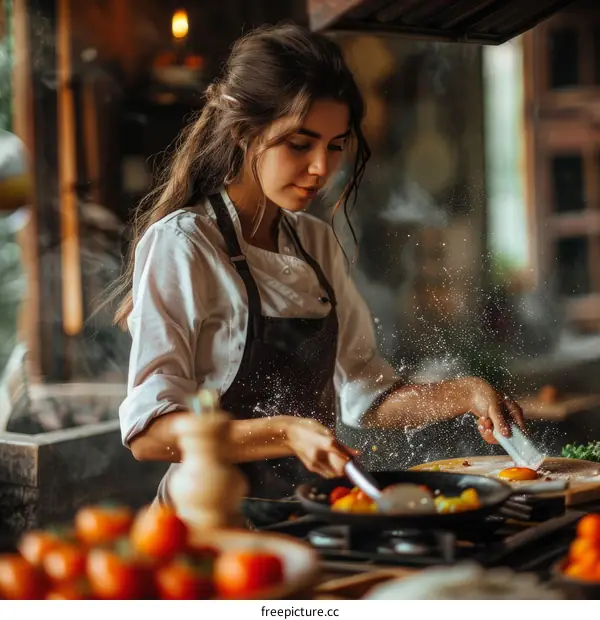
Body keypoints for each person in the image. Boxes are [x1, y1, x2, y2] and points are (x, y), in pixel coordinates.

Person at [115, 23, 525, 528]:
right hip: (210, 525)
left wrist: (465, 392)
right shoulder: (185, 244)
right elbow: (148, 435)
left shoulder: (315, 244)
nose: (320, 168)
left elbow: (368, 396)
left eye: (335, 146)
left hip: (308, 517)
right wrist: (286, 431)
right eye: (299, 144)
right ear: (246, 133)